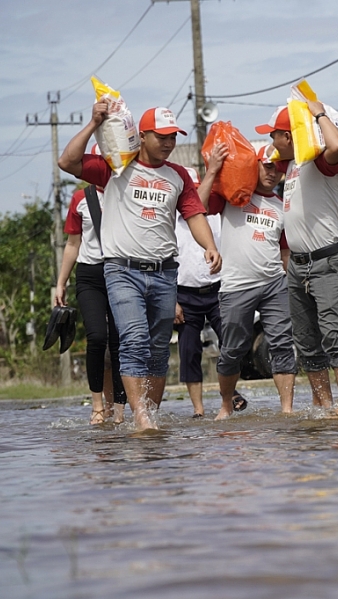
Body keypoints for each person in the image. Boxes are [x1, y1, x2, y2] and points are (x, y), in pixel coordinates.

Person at [58, 103, 222, 431]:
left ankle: (149, 412)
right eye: (161, 136)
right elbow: (67, 162)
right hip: (122, 270)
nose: (168, 143)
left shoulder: (178, 176)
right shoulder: (116, 167)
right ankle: (141, 418)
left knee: (159, 348)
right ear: (142, 136)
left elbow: (193, 214)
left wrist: (210, 246)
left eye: (173, 137)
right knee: (133, 340)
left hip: (164, 272)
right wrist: (93, 122)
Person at [257, 102, 338, 416]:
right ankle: (324, 404)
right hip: (298, 265)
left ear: (288, 136)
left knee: (333, 332)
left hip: (326, 261)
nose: (271, 143)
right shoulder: (291, 168)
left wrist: (318, 114)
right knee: (305, 339)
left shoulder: (318, 162)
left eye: (274, 136)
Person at [200, 143, 297, 420]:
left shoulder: (282, 207)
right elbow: (200, 205)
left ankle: (287, 410)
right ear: (253, 165)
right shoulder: (235, 196)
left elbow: (285, 250)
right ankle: (226, 404)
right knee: (232, 350)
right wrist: (213, 171)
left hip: (274, 283)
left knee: (281, 343)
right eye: (266, 165)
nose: (272, 172)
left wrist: (290, 279)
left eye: (277, 167)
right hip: (236, 285)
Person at [173, 167, 248, 418]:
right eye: (189, 191)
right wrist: (172, 300)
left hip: (217, 289)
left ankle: (230, 393)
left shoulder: (214, 216)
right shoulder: (171, 221)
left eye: (196, 189)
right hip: (184, 293)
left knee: (231, 343)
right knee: (189, 351)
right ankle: (198, 409)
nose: (193, 195)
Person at [55, 177, 128, 425]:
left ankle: (119, 407)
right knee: (97, 337)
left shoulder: (128, 191)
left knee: (120, 341)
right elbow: (72, 244)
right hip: (90, 276)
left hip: (121, 272)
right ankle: (97, 405)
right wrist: (61, 283)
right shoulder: (80, 198)